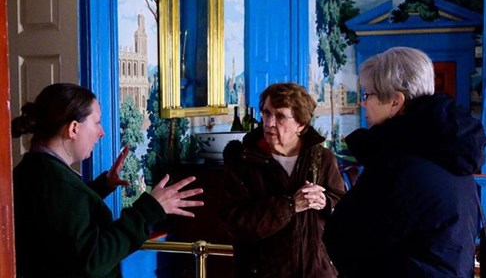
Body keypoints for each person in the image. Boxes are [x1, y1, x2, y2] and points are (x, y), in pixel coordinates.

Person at [323, 47, 486, 277]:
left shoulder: (399, 163)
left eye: (367, 95)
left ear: (395, 101)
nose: (363, 104)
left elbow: (346, 238)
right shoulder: (449, 146)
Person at [12, 83, 204, 278]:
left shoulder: (32, 170)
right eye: (96, 122)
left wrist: (102, 186)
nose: (101, 132)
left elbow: (61, 224)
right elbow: (92, 261)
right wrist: (148, 210)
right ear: (73, 129)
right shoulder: (55, 183)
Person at [219, 83, 345, 278]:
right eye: (266, 113)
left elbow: (342, 206)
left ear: (301, 125)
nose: (269, 123)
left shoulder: (322, 158)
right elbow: (236, 223)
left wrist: (325, 202)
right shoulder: (242, 160)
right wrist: (291, 205)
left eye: (280, 116)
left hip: (316, 272)